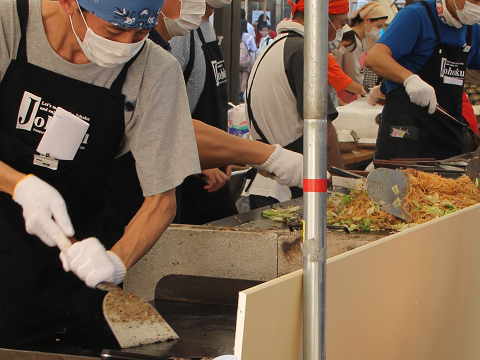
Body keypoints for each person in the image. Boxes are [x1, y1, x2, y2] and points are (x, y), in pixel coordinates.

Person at [0, 0, 303, 347]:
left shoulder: (155, 68)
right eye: (114, 30)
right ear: (70, 3)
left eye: (141, 32)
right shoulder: (9, 22)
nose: (127, 45)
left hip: (68, 273)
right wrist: (20, 185)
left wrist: (117, 260)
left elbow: (161, 201)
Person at [243, 0, 348, 210]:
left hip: (266, 183)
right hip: (291, 189)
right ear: (324, 18)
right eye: (341, 23)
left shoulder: (274, 46)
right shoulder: (304, 51)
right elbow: (324, 134)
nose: (342, 30)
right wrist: (341, 189)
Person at [365, 0, 480, 160]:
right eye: (474, 0)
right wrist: (409, 79)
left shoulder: (471, 30)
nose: (478, 6)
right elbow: (374, 58)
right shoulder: (416, 16)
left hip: (449, 137)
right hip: (407, 135)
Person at [165, 0, 240, 224]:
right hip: (188, 179)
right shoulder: (181, 34)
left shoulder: (206, 27)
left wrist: (226, 150)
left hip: (213, 170)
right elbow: (165, 116)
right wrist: (198, 160)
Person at [339, 2, 388, 104]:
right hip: (344, 94)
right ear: (367, 20)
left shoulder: (362, 41)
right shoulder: (351, 40)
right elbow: (352, 74)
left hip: (352, 93)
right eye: (378, 26)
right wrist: (368, 91)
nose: (379, 31)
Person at [239, 18, 257, 103]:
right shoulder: (248, 36)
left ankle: (237, 91)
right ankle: (241, 94)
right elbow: (254, 48)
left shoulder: (236, 35)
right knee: (244, 77)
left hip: (237, 60)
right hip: (245, 60)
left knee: (239, 76)